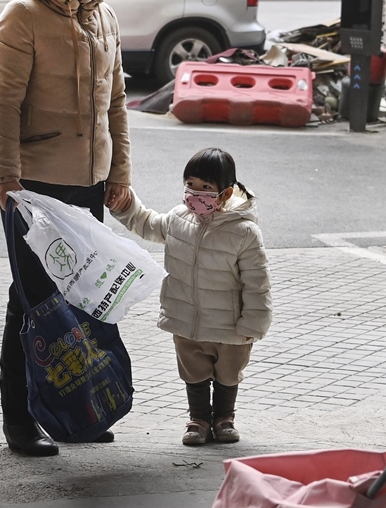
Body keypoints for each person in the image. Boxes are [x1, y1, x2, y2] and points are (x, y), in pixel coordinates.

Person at [0, 0, 132, 457]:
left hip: (89, 182)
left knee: (84, 297)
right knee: (32, 301)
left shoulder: (105, 17)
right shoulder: (21, 16)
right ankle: (20, 420)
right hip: (35, 185)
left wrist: (119, 173)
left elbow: (116, 104)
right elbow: (2, 104)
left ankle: (78, 410)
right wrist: (5, 177)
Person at [108, 148, 270, 445]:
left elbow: (257, 283)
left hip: (230, 326)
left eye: (206, 188)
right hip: (186, 319)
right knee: (193, 372)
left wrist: (253, 325)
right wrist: (125, 204)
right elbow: (146, 223)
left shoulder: (245, 232)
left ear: (225, 193)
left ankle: (224, 419)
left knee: (227, 374)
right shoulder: (177, 219)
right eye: (191, 184)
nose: (196, 193)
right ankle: (198, 420)